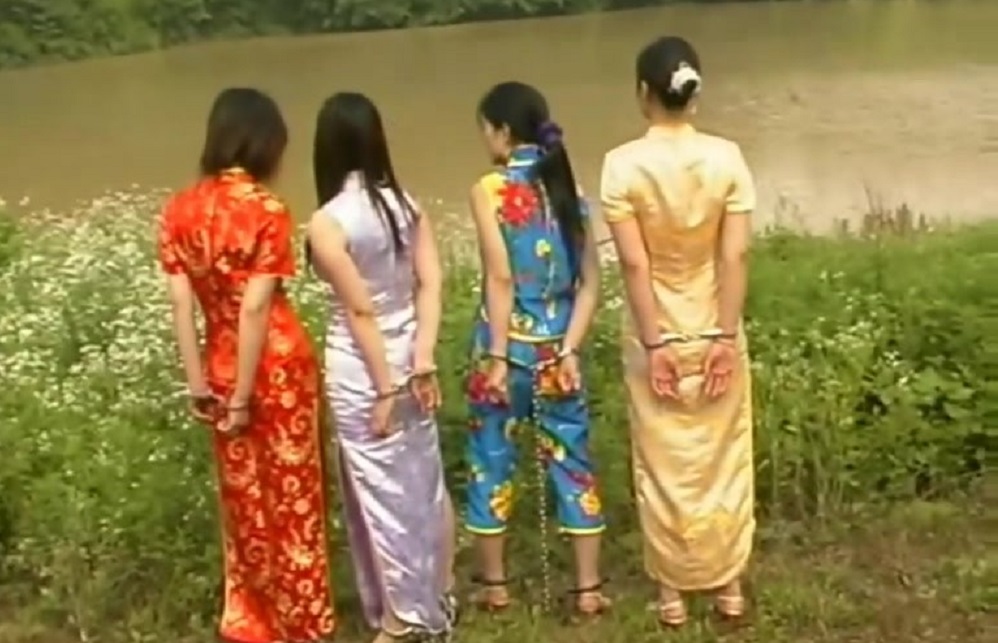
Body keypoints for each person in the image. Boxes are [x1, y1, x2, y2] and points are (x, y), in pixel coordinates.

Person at [157, 87, 336, 643]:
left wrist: (200, 386)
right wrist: (242, 395)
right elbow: (256, 306)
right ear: (264, 143)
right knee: (294, 500)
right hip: (277, 370)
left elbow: (181, 304)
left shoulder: (179, 210)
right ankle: (302, 622)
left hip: (217, 366)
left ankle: (252, 620)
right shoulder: (267, 209)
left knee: (245, 504)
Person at [599, 36, 756, 627]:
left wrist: (654, 343)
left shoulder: (621, 165)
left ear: (643, 92)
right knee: (722, 459)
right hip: (715, 324)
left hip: (655, 330)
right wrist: (724, 337)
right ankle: (728, 587)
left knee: (663, 464)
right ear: (694, 93)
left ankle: (671, 594)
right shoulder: (728, 158)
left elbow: (634, 263)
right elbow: (735, 256)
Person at [305, 91, 457, 643]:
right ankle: (437, 594)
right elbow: (430, 283)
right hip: (410, 354)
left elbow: (359, 309)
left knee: (378, 489)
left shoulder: (328, 222)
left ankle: (402, 619)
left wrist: (386, 388)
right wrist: (423, 358)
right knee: (423, 480)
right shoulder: (405, 205)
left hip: (363, 369)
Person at [464, 81, 609, 617]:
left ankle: (495, 585)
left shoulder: (490, 190)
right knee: (573, 464)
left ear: (503, 131)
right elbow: (590, 284)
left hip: (506, 351)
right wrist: (569, 349)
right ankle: (588, 589)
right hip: (556, 353)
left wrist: (499, 357)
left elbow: (500, 278)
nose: (486, 140)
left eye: (486, 129)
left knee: (491, 460)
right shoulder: (570, 192)